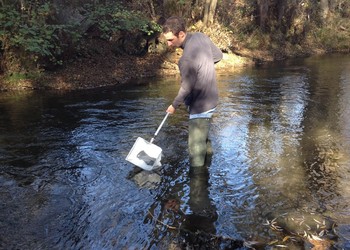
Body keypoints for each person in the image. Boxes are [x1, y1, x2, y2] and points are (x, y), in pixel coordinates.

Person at [162, 16, 223, 167]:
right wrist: (204, 66)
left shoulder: (185, 60)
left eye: (171, 40)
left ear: (181, 34)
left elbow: (186, 87)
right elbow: (218, 56)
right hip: (213, 100)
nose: (169, 44)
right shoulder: (200, 36)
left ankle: (198, 181)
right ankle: (207, 167)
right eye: (167, 40)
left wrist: (174, 105)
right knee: (204, 138)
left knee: (195, 150)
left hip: (200, 106)